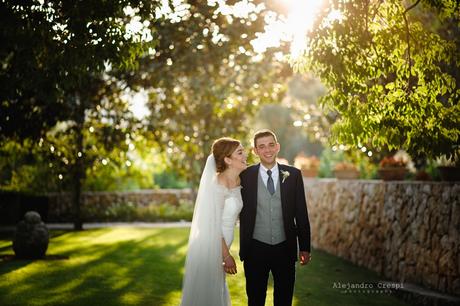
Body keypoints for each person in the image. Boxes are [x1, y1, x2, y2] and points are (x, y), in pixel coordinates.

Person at [239, 129, 311, 306]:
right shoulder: (245, 176)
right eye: (261, 147)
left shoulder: (293, 175)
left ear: (277, 147)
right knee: (255, 300)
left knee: (284, 300)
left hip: (285, 247)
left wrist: (305, 247)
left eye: (271, 145)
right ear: (255, 151)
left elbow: (301, 212)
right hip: (255, 248)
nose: (267, 150)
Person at [180, 137, 247, 306]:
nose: (245, 154)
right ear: (227, 160)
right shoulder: (218, 183)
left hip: (225, 242)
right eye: (240, 152)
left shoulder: (240, 180)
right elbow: (212, 224)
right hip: (210, 243)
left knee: (217, 289)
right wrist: (225, 255)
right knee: (206, 293)